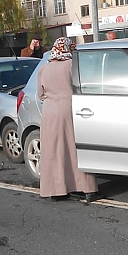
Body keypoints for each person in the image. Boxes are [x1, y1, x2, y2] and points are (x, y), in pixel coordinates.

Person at [37, 37, 100, 203]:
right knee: (75, 147)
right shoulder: (72, 65)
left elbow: (40, 94)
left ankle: (56, 190)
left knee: (54, 150)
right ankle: (86, 188)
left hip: (50, 111)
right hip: (71, 107)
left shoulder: (44, 69)